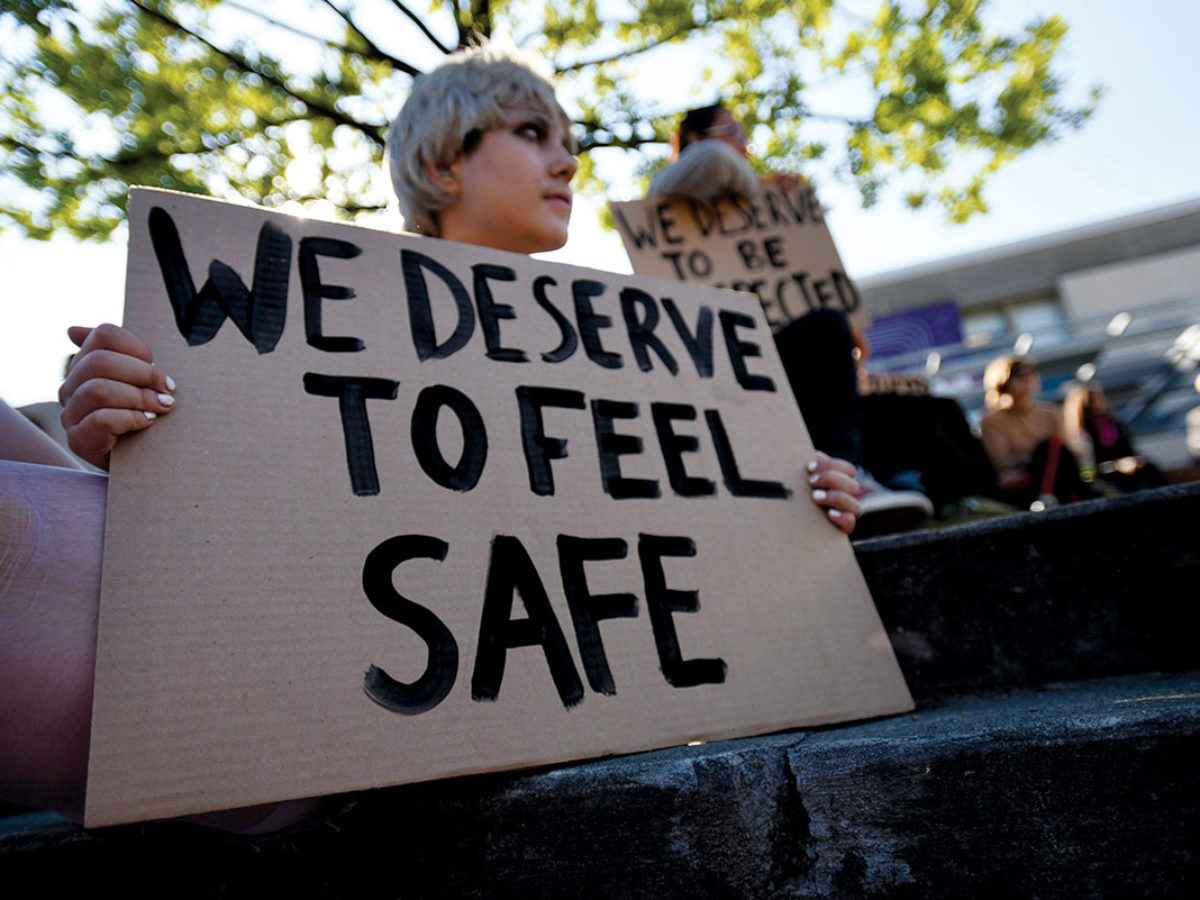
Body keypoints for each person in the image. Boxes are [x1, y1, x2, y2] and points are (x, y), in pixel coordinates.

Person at [3, 45, 862, 829]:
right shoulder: (304, 324)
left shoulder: (642, 356)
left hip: (320, 743)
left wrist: (798, 498)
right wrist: (135, 422)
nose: (567, 161)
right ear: (439, 164)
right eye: (532, 133)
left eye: (568, 140)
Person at [646, 102, 933, 537]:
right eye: (733, 133)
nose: (742, 146)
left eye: (744, 137)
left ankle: (851, 476)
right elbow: (714, 161)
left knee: (829, 329)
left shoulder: (738, 191)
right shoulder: (690, 172)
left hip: (771, 342)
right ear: (693, 139)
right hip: (715, 347)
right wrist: (757, 183)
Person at [979, 356, 1095, 508]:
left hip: (1058, 478)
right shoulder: (992, 421)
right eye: (1018, 375)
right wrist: (1036, 459)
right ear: (1004, 381)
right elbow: (1002, 461)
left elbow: (1065, 451)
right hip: (1023, 483)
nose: (1027, 379)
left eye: (1031, 373)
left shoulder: (1051, 413)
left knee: (1054, 450)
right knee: (1048, 447)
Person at [1063, 382, 1166, 493]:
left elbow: (1128, 449)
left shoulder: (1114, 424)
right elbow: (1088, 469)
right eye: (1094, 401)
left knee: (1150, 470)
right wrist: (1118, 466)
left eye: (1100, 399)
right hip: (1105, 474)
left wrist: (1132, 461)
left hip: (1128, 467)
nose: (1100, 404)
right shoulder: (1083, 433)